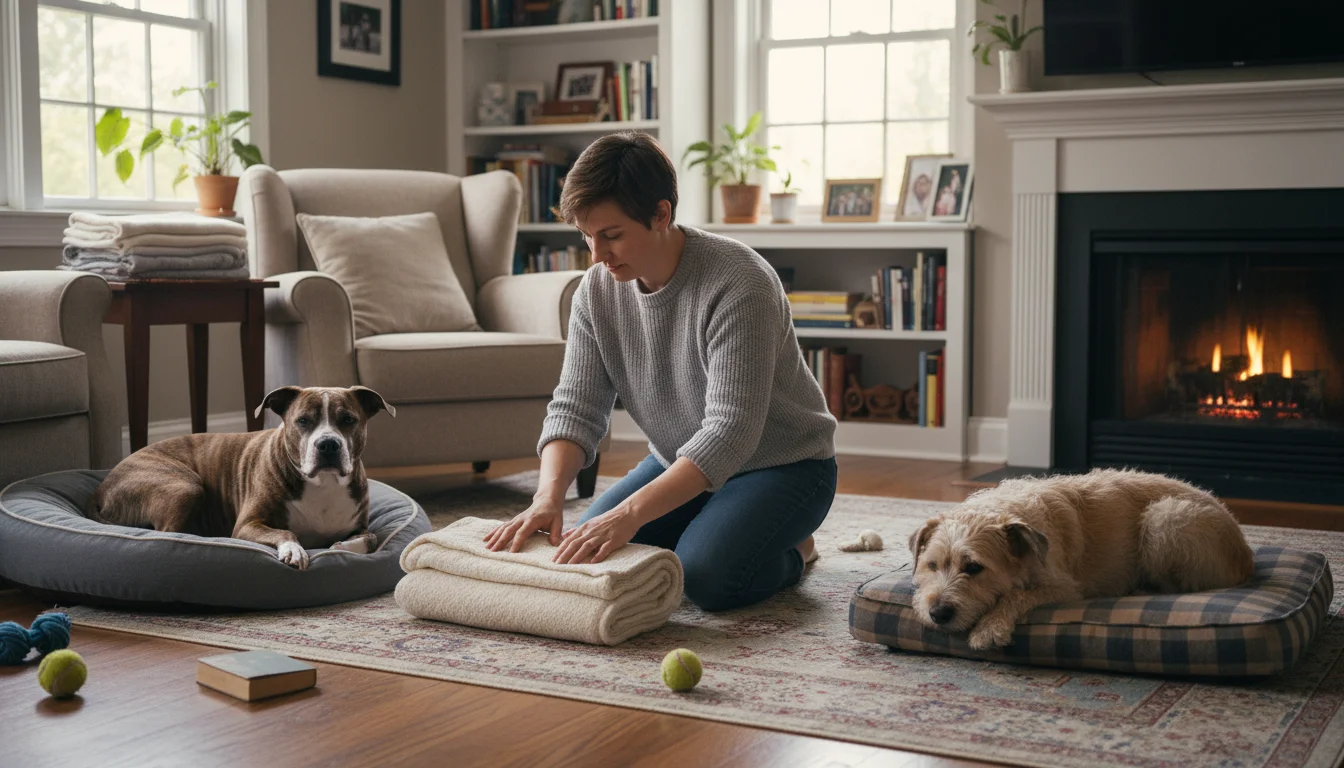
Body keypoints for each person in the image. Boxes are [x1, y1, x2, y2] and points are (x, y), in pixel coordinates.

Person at [484, 131, 839, 612]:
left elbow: (729, 432)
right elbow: (576, 407)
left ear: (661, 215)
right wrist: (547, 497)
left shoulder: (740, 283)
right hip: (680, 461)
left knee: (706, 578)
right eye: (586, 237)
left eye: (611, 235)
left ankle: (797, 550)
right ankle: (715, 526)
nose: (597, 255)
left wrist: (630, 514)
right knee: (592, 555)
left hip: (785, 466)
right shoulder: (596, 290)